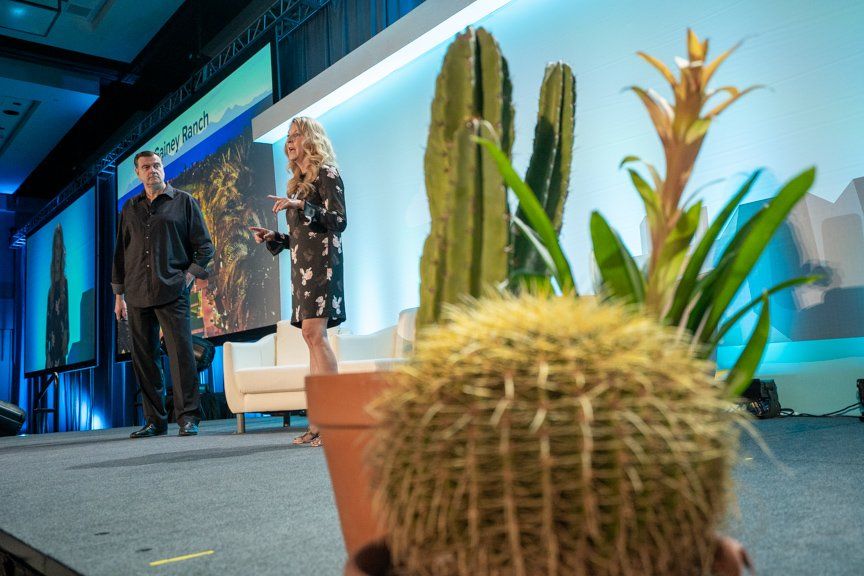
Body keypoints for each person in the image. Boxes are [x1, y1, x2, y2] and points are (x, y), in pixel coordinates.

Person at [249, 117, 347, 448]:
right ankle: (317, 424)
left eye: (296, 135)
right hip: (301, 268)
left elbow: (339, 221)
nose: (290, 142)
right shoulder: (298, 183)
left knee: (315, 335)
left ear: (311, 139)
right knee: (310, 338)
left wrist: (302, 205)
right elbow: (301, 236)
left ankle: (333, 423)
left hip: (323, 265)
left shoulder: (327, 174)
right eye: (288, 137)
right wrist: (275, 237)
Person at [112, 151, 214, 438]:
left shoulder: (183, 202)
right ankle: (155, 421)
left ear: (162, 168)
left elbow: (205, 247)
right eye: (146, 167)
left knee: (182, 357)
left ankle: (188, 418)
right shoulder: (130, 208)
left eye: (156, 165)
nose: (152, 170)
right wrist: (118, 295)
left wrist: (188, 276)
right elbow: (120, 253)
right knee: (145, 360)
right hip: (136, 292)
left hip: (172, 290)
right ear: (138, 173)